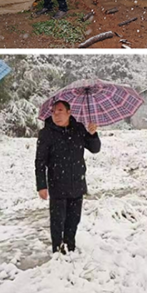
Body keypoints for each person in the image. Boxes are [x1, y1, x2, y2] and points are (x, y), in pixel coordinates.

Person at [35, 100, 101, 254]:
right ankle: (58, 251)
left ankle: (70, 247)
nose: (56, 114)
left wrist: (92, 134)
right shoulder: (47, 133)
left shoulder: (78, 128)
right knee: (58, 222)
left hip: (77, 182)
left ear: (69, 112)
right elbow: (40, 161)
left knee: (73, 221)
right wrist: (41, 185)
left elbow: (95, 149)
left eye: (60, 110)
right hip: (57, 184)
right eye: (54, 111)